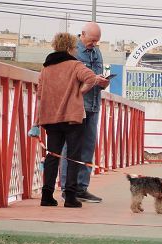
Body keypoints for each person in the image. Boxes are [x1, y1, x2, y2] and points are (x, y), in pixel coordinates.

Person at [37, 32, 110, 208]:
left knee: (52, 155)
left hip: (51, 117)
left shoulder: (46, 68)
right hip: (72, 117)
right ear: (71, 48)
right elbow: (91, 78)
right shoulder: (75, 65)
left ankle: (47, 195)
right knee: (73, 156)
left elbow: (40, 92)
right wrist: (79, 92)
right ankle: (70, 196)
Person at [59, 21, 105, 203]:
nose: (93, 44)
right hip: (77, 105)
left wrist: (102, 83)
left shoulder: (97, 52)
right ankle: (67, 188)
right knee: (70, 148)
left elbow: (96, 78)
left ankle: (81, 187)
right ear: (82, 34)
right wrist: (91, 82)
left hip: (93, 105)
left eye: (97, 41)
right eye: (92, 40)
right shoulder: (72, 51)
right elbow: (69, 81)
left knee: (87, 148)